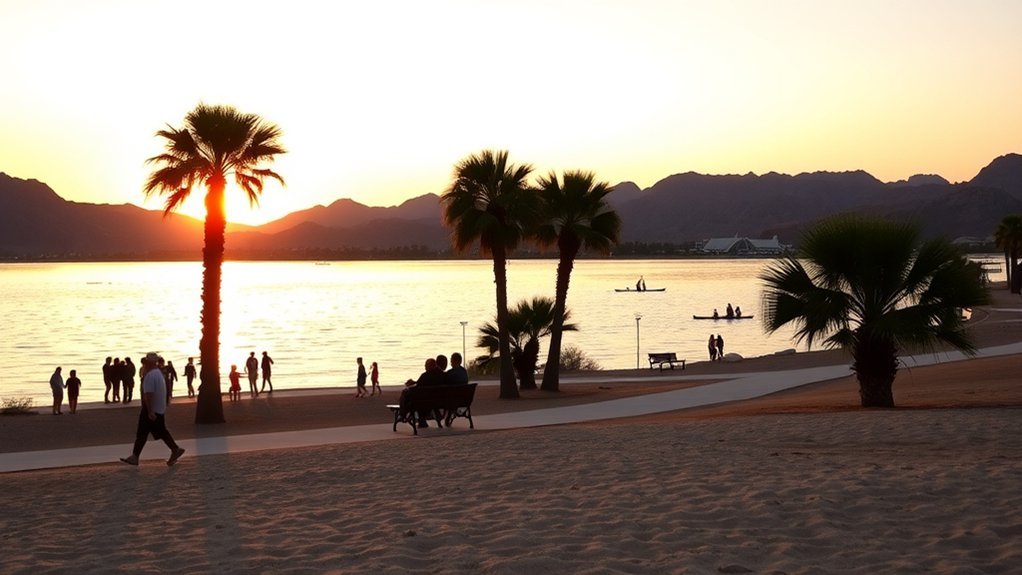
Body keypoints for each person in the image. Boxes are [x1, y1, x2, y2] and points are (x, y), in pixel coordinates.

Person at [120, 353, 185, 467]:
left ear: (148, 363)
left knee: (144, 433)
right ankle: (174, 449)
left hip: (151, 409)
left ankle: (174, 449)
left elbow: (148, 394)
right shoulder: (158, 374)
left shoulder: (150, 375)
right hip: (158, 408)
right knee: (156, 432)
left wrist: (149, 410)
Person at [403, 358, 446, 428]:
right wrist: (415, 382)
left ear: (430, 366)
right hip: (439, 400)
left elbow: (418, 388)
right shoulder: (442, 375)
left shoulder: (425, 375)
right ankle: (424, 419)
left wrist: (409, 387)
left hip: (424, 402)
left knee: (406, 394)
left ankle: (403, 414)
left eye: (426, 365)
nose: (425, 367)